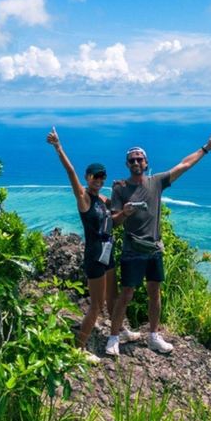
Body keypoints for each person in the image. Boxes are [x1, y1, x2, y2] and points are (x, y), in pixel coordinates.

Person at [105, 131, 211, 356]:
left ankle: (153, 336)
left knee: (155, 292)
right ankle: (113, 337)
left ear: (146, 162)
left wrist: (206, 149)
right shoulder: (120, 188)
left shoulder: (157, 182)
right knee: (127, 293)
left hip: (154, 249)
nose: (136, 163)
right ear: (127, 164)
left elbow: (184, 165)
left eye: (140, 159)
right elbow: (114, 223)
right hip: (132, 249)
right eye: (132, 160)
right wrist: (125, 212)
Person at [46, 127, 140, 364]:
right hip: (94, 254)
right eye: (94, 176)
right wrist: (58, 147)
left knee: (113, 297)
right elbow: (70, 172)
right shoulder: (85, 198)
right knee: (97, 305)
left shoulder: (104, 201)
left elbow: (115, 223)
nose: (98, 180)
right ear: (88, 178)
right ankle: (78, 349)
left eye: (101, 177)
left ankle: (117, 332)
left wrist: (126, 213)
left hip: (108, 252)